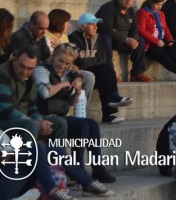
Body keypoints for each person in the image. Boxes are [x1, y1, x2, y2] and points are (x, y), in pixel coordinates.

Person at [0, 97, 80, 200]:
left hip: (12, 177)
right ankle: (52, 192)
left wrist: (21, 152)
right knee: (37, 149)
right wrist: (21, 153)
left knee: (53, 150)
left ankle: (85, 182)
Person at [34, 44, 116, 184]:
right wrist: (62, 84)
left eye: (67, 63)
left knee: (92, 124)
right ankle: (78, 169)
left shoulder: (69, 73)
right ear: (54, 56)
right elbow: (44, 93)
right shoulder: (42, 69)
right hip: (43, 114)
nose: (63, 66)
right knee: (82, 125)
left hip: (60, 114)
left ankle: (97, 167)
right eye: (60, 61)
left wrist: (77, 91)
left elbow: (70, 102)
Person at [0, 45, 66, 142]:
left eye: (30, 68)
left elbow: (32, 105)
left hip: (22, 118)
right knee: (31, 125)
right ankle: (28, 152)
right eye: (22, 66)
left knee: (60, 123)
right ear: (15, 60)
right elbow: (3, 109)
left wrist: (39, 120)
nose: (25, 72)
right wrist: (35, 123)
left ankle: (57, 152)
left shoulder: (30, 77)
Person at [69, 12, 132, 125]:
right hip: (79, 75)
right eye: (92, 24)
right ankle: (109, 111)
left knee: (106, 70)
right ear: (82, 27)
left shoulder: (100, 39)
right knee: (104, 71)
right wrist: (92, 61)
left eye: (96, 24)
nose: (95, 27)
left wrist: (87, 60)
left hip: (95, 73)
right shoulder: (73, 39)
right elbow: (79, 62)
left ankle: (111, 105)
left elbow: (103, 59)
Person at [95, 0, 150, 82]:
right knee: (105, 38)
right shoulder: (108, 8)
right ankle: (110, 74)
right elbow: (106, 29)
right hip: (108, 39)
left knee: (140, 41)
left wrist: (134, 39)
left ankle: (137, 74)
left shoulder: (131, 11)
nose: (128, 1)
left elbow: (135, 28)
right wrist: (125, 39)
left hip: (122, 41)